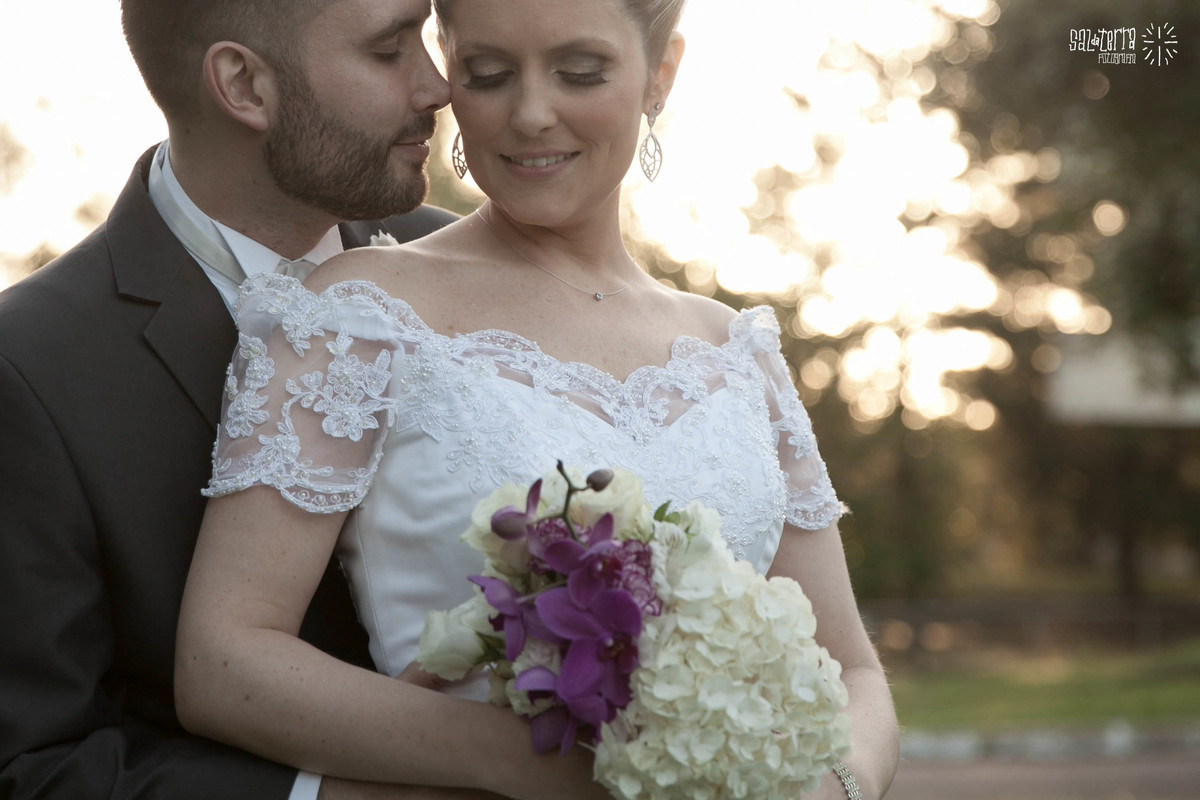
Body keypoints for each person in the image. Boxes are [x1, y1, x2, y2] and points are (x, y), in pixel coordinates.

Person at [176, 0, 900, 798]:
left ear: (660, 76)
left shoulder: (735, 349)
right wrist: (532, 766)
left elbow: (854, 670)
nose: (529, 114)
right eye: (486, 75)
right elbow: (223, 658)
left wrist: (834, 787)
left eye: (579, 72)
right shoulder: (357, 314)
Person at [0, 0, 503, 798]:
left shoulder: (486, 276)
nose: (438, 86)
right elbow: (36, 765)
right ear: (244, 84)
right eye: (388, 50)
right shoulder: (27, 370)